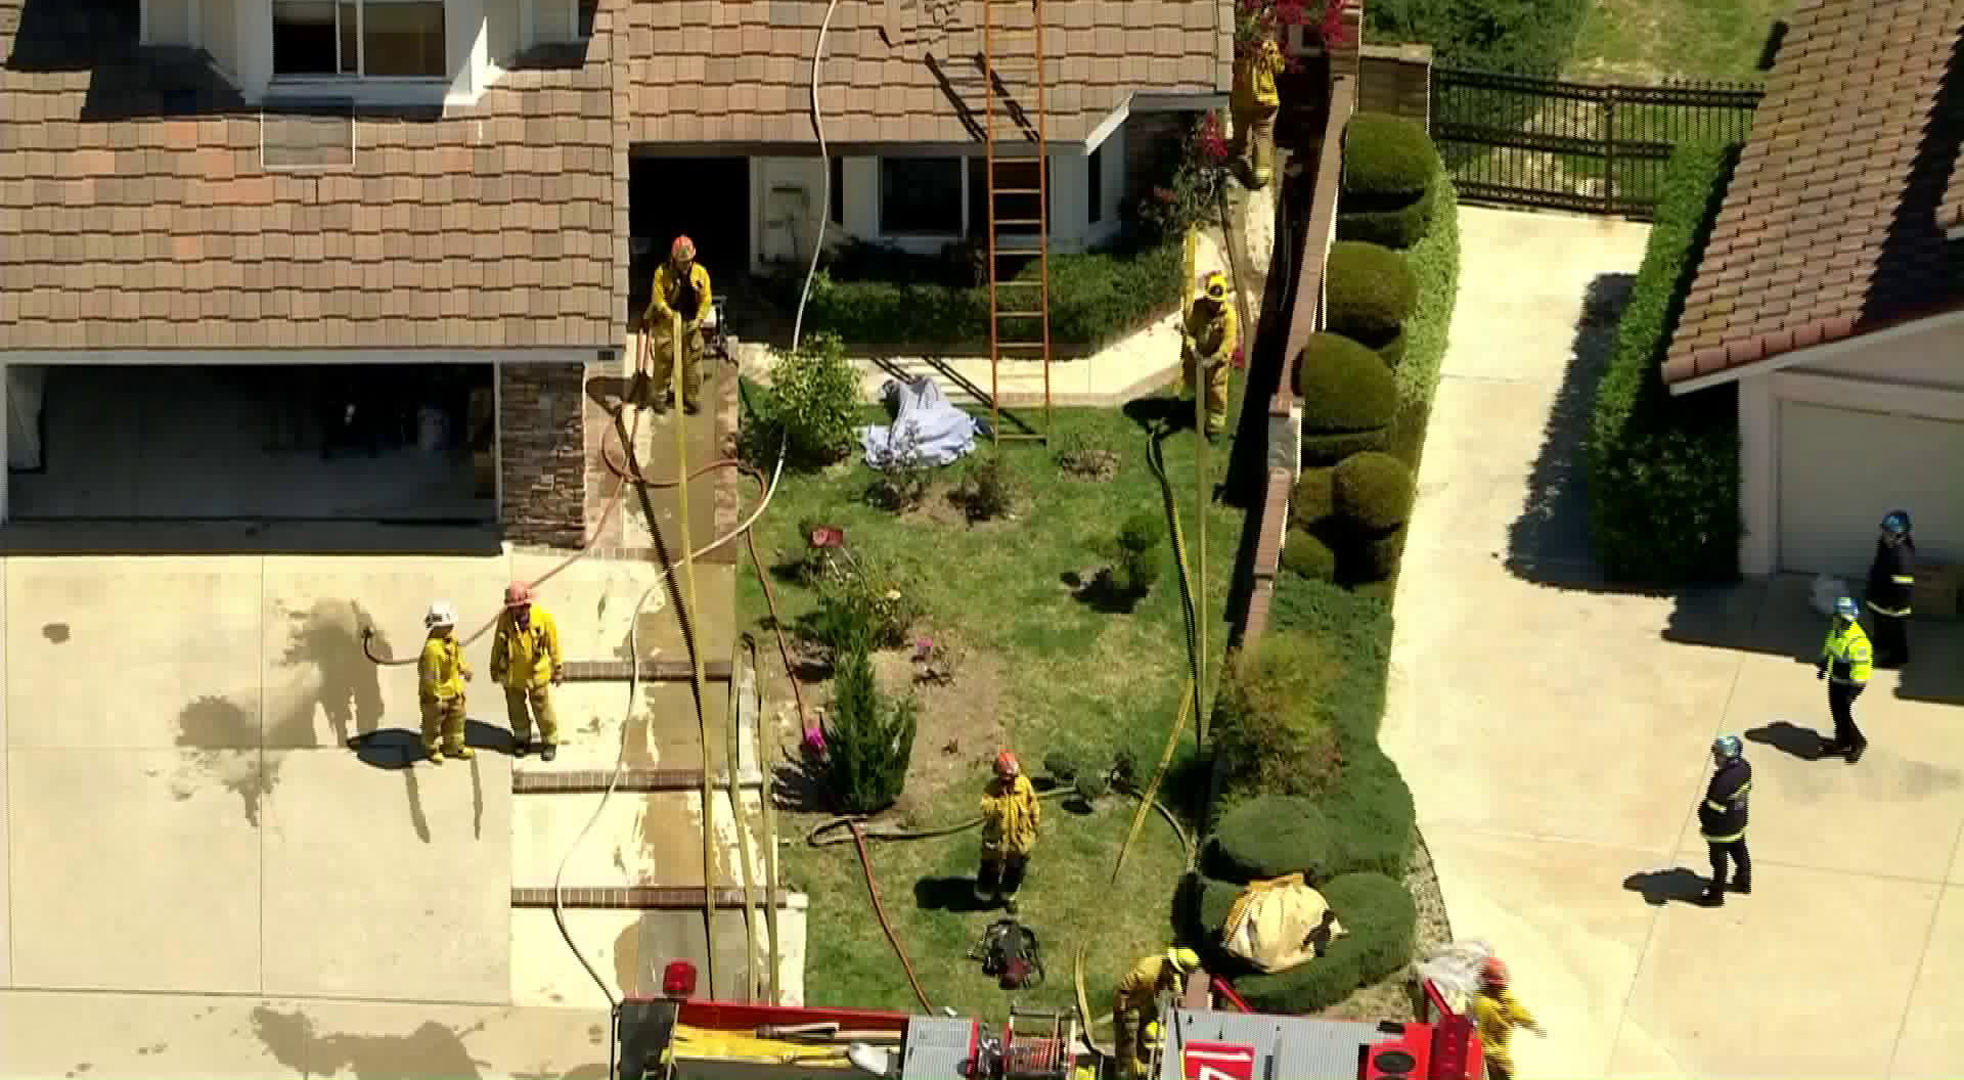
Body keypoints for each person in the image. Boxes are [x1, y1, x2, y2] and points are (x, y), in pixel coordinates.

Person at [490, 582, 564, 762]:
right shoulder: (505, 620)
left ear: (527, 604)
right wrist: (494, 667)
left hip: (536, 674)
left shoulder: (543, 619)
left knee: (542, 708)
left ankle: (549, 741)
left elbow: (553, 645)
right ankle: (522, 739)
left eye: (521, 607)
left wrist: (558, 668)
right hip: (513, 675)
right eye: (514, 608)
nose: (518, 611)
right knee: (516, 709)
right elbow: (498, 645)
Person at [642, 235, 714, 414]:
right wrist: (670, 314)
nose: (685, 265)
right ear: (674, 259)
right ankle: (659, 398)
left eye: (688, 261)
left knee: (692, 364)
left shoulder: (700, 274)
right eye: (682, 262)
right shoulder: (662, 273)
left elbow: (706, 300)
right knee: (664, 361)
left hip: (690, 324)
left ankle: (691, 398)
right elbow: (657, 299)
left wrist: (698, 320)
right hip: (667, 323)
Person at [1113, 947, 1200, 1079]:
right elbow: (1124, 987)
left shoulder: (1169, 969)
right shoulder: (1147, 972)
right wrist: (1122, 1010)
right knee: (1128, 1039)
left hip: (1144, 1002)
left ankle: (1141, 1064)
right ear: (1172, 966)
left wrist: (1180, 999)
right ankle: (1125, 1072)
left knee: (1146, 1030)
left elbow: (1175, 987)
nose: (1178, 975)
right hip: (1129, 1004)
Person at [976, 750, 1041, 913]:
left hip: (1019, 841)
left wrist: (1034, 825)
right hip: (996, 842)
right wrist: (999, 804)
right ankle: (984, 897)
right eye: (1008, 779)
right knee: (989, 869)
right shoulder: (992, 789)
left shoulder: (1024, 784)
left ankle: (1008, 897)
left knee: (1015, 871)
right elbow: (985, 808)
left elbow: (1033, 804)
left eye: (1014, 778)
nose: (1012, 782)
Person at [1180, 271, 1239, 441]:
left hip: (1217, 360)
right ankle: (1199, 411)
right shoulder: (1197, 308)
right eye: (1212, 301)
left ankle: (1214, 428)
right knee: (1196, 384)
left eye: (1218, 302)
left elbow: (1227, 344)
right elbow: (1189, 331)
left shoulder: (1229, 316)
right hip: (1198, 355)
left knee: (1216, 391)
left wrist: (1211, 360)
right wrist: (1191, 346)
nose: (1215, 305)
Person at [1818, 595, 1874, 764]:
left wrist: (1854, 691)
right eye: (1837, 616)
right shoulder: (1837, 631)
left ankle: (1858, 743)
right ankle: (1842, 742)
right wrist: (1823, 665)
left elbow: (1862, 669)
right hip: (1835, 679)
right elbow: (1829, 648)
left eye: (1840, 617)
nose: (1836, 619)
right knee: (1837, 714)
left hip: (1847, 685)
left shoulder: (1858, 641)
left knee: (1843, 715)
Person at [1698, 735, 1753, 907]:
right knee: (1739, 849)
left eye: (1718, 755)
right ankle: (1743, 882)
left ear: (1728, 757)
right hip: (1739, 819)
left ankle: (1716, 895)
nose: (1715, 758)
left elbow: (1711, 807)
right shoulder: (1745, 767)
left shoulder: (1722, 782)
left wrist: (1703, 815)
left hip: (1721, 828)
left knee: (1719, 861)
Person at [418, 600, 473, 762]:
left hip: (454, 691)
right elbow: (430, 676)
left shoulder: (451, 640)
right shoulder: (432, 650)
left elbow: (458, 656)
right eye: (447, 625)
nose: (451, 627)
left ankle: (454, 746)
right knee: (433, 724)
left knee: (456, 720)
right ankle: (432, 749)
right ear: (437, 627)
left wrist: (464, 668)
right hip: (437, 696)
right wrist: (434, 698)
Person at [1473, 958, 1545, 1080]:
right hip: (1494, 1057)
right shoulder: (1502, 1001)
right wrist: (1532, 1025)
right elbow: (1519, 1012)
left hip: (1486, 1055)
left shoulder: (1481, 1000)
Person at [1231, 37, 1284, 189]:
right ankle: (1260, 177)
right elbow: (1279, 69)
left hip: (1242, 100)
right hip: (1266, 101)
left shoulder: (1239, 45)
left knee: (1240, 133)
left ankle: (1238, 161)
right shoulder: (1268, 47)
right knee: (1263, 136)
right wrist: (1271, 52)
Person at [1866, 510, 1916, 669]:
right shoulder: (1885, 545)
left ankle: (1898, 657)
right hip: (1879, 599)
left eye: (1890, 533)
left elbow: (1903, 587)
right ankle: (1881, 644)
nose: (1885, 535)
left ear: (1901, 535)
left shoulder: (1903, 556)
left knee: (1896, 632)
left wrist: (1895, 605)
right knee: (1880, 624)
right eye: (1885, 531)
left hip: (1894, 604)